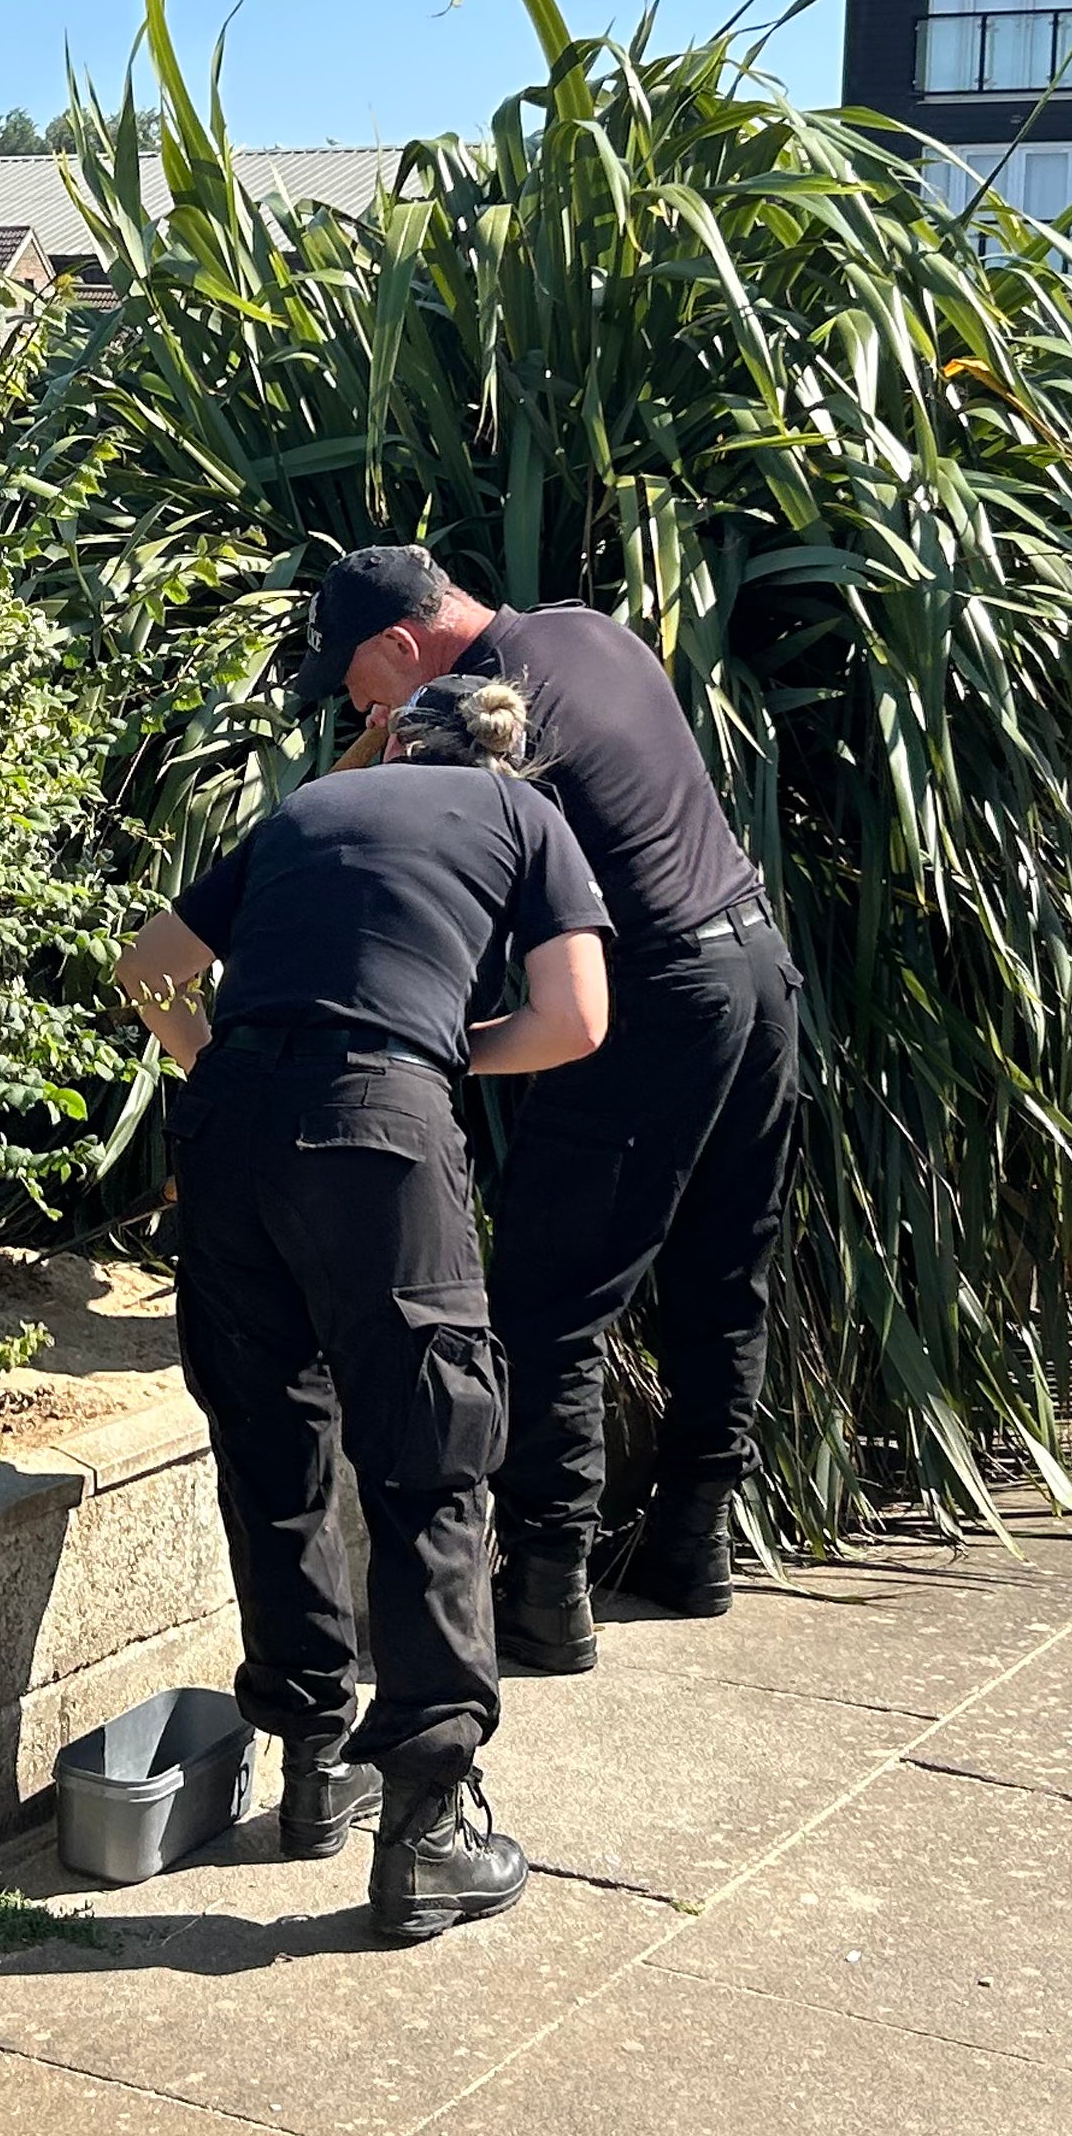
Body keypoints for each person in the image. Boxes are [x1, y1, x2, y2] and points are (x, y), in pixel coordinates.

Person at [116, 673, 612, 1942]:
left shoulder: (307, 810)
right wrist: (437, 1053)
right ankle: (432, 1829)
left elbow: (152, 972)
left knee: (271, 1445)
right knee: (429, 1459)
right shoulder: (521, 818)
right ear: (504, 758)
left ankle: (308, 1764)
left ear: (394, 734)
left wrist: (232, 1077)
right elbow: (575, 1020)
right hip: (380, 1128)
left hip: (226, 1128)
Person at [286, 544, 802, 1678]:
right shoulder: (581, 629)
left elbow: (433, 876)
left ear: (403, 645)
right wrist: (393, 727)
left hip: (654, 1001)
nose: (357, 707)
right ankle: (693, 1549)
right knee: (725, 1270)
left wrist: (421, 1046)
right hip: (757, 971)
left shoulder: (494, 710)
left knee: (548, 1302)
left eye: (358, 682)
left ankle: (546, 1596)